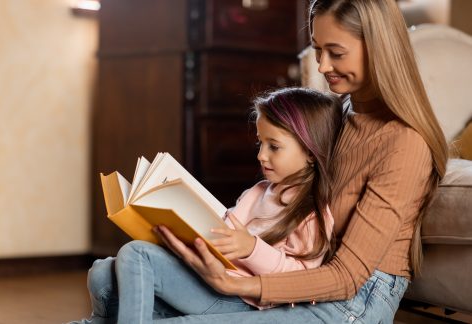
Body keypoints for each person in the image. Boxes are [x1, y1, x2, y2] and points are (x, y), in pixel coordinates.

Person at [152, 0, 449, 323]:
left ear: (379, 49)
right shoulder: (340, 112)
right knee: (116, 282)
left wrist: (237, 284)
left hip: (357, 298)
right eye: (317, 49)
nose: (321, 66)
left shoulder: (404, 143)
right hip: (305, 281)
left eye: (335, 52)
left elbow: (348, 276)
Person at [74, 87, 344, 323]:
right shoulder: (259, 192)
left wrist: (252, 249)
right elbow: (220, 231)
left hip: (240, 299)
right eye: (260, 143)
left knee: (136, 255)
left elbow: (304, 278)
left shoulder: (311, 212)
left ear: (310, 152)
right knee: (102, 272)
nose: (261, 155)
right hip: (207, 279)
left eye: (274, 146)